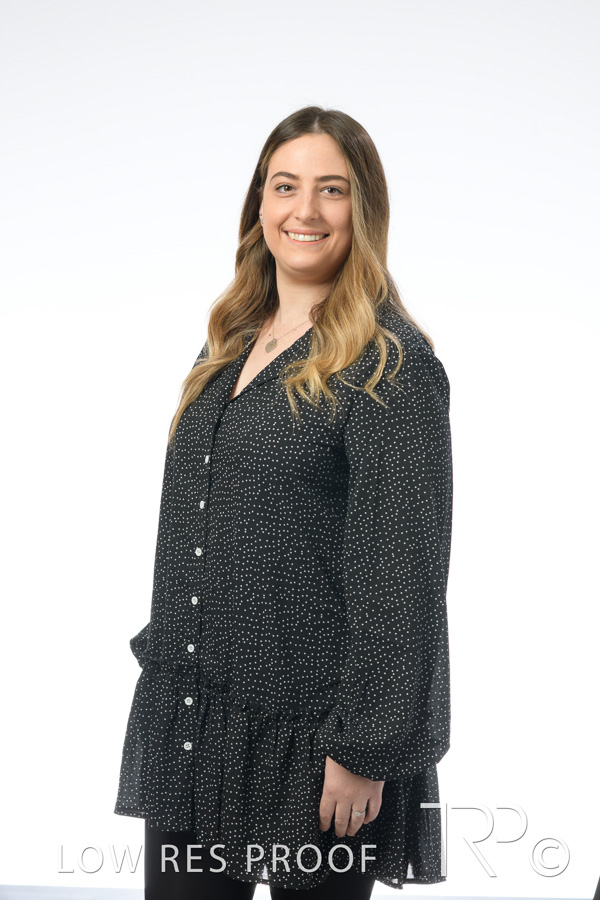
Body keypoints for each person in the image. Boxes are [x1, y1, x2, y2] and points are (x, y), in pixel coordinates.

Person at [114, 105, 453, 899]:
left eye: (332, 189)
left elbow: (403, 576)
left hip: (317, 744)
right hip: (196, 722)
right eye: (285, 186)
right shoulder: (230, 339)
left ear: (363, 210)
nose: (306, 210)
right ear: (259, 202)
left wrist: (364, 749)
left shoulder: (390, 364)